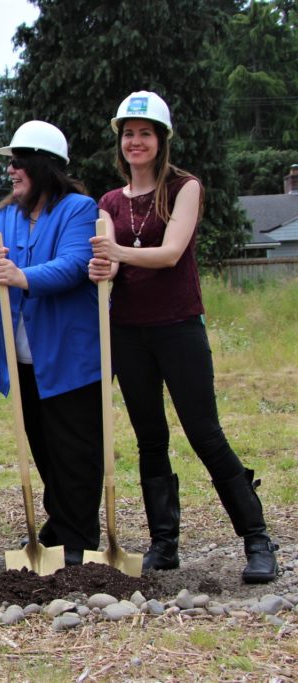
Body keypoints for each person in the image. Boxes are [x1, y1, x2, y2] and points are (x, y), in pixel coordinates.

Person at [89, 91, 278, 583]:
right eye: (128, 133)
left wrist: (115, 254)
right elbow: (107, 260)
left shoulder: (184, 187)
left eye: (145, 133)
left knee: (204, 433)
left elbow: (172, 252)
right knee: (150, 437)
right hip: (129, 332)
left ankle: (258, 540)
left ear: (161, 139)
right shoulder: (108, 201)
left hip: (178, 327)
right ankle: (163, 544)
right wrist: (99, 266)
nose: (135, 141)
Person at [0, 120, 103, 566]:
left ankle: (80, 534)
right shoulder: (7, 213)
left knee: (75, 449)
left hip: (69, 355)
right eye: (10, 163)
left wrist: (22, 276)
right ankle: (59, 525)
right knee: (43, 445)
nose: (11, 171)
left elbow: (75, 262)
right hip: (22, 355)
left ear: (43, 166)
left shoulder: (77, 208)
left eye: (18, 163)